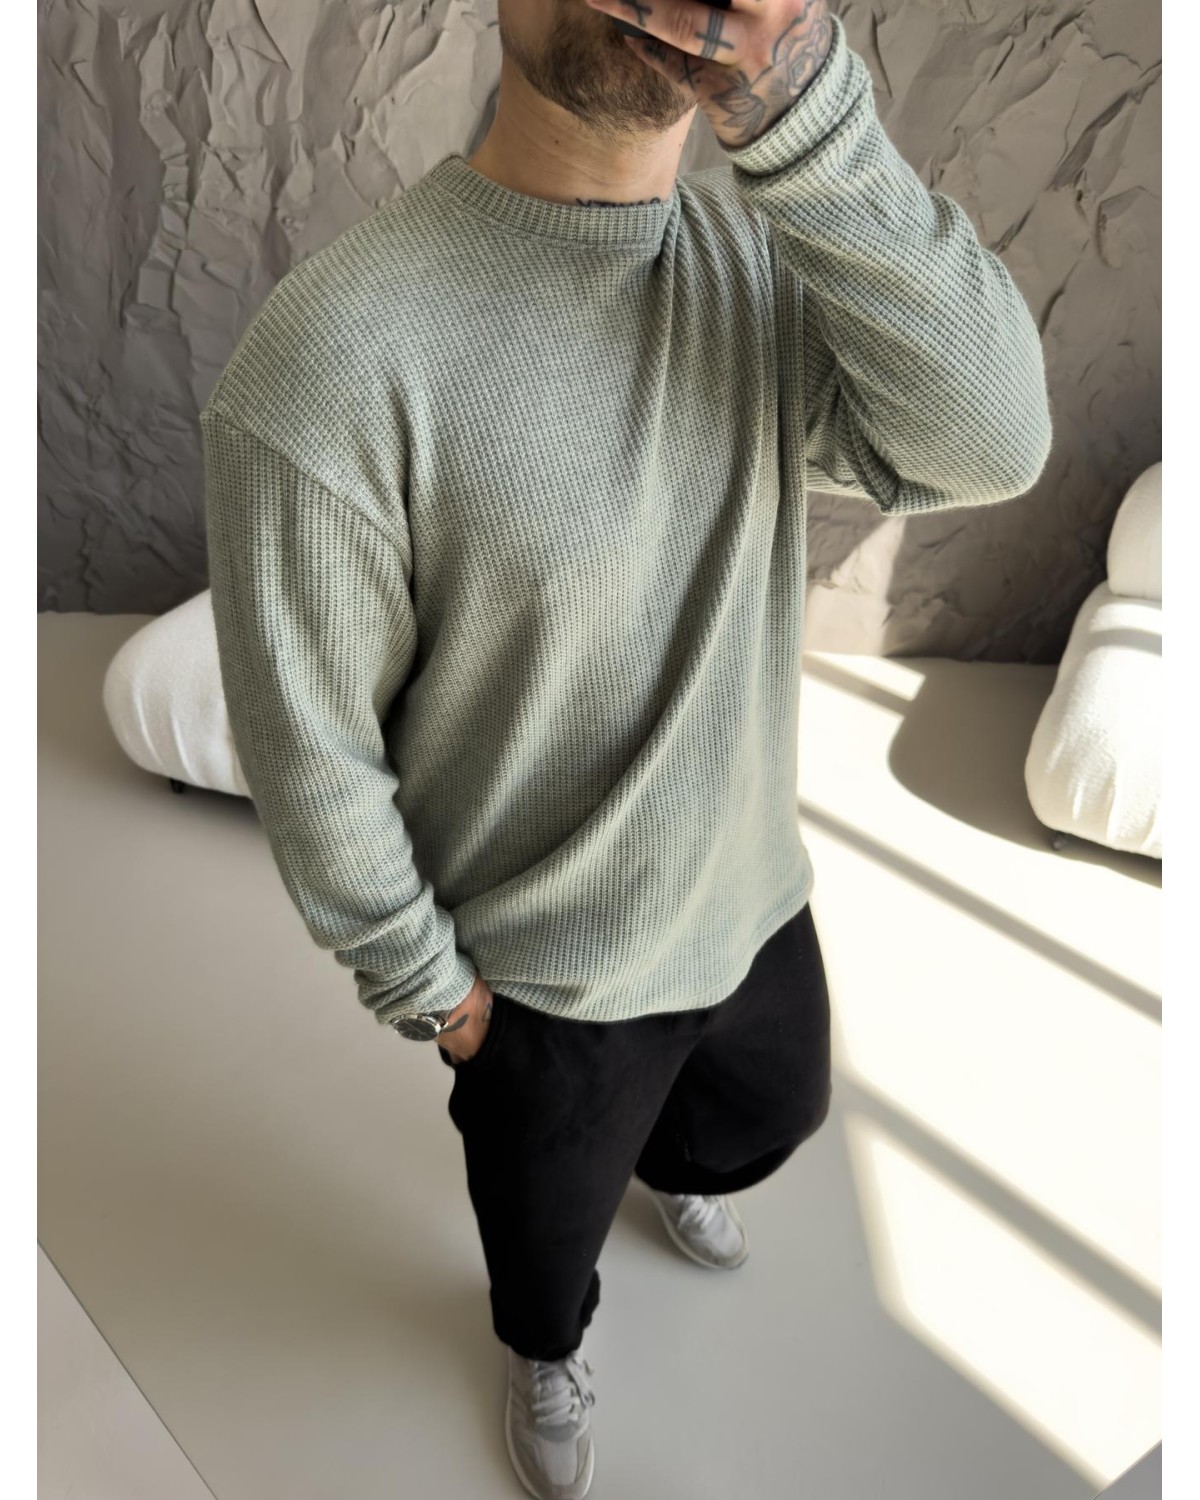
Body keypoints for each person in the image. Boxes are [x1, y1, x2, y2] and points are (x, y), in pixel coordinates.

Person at [200, 1, 1053, 1494]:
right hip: (541, 981)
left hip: (749, 893)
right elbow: (312, 751)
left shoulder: (759, 275)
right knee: (542, 1246)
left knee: (771, 1115)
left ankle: (674, 1164)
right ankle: (546, 1343)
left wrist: (794, 91)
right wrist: (440, 998)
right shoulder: (334, 352)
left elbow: (992, 441)